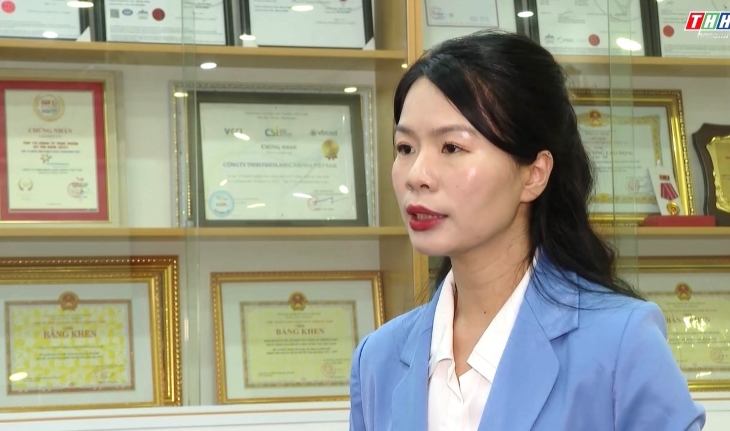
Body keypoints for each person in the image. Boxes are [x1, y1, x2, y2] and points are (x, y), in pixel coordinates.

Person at [348, 30, 705, 431]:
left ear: (534, 173)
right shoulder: (377, 359)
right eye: (405, 148)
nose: (417, 175)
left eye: (451, 147)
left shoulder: (620, 344)